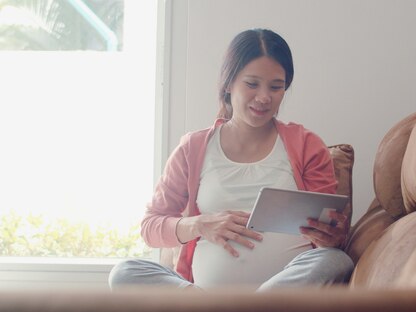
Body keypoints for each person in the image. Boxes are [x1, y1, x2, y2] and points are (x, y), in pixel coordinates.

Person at [108, 28, 354, 291]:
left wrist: (331, 238)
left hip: (282, 296)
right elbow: (151, 227)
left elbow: (327, 236)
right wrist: (199, 224)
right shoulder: (194, 147)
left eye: (276, 87)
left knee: (334, 260)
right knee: (125, 272)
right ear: (228, 83)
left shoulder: (306, 145)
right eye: (252, 84)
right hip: (207, 297)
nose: (264, 97)